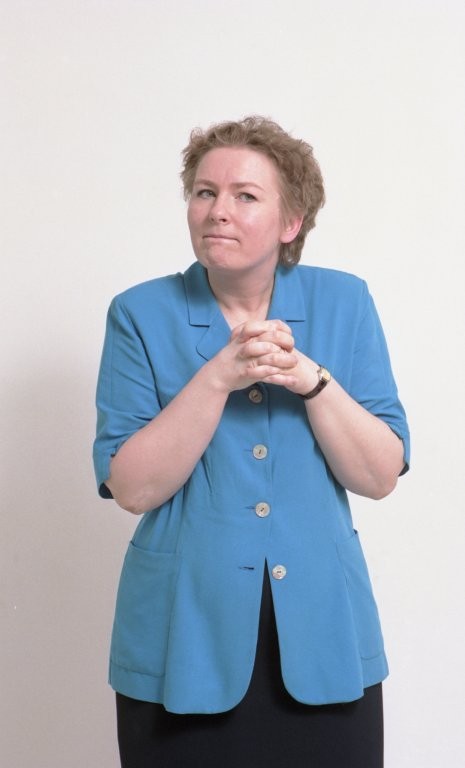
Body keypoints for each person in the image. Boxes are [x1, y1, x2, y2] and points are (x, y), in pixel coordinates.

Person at [93, 116, 409, 768]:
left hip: (323, 633)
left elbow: (379, 475)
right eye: (204, 192)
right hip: (182, 634)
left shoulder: (345, 301)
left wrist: (311, 380)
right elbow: (132, 488)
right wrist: (217, 377)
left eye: (245, 195)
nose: (217, 210)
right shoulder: (139, 313)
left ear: (291, 221)